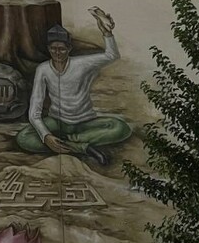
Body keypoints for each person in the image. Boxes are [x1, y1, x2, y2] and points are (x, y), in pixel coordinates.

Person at [15, 17, 132, 165]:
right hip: (57, 121)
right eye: (53, 49)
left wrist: (107, 33)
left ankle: (68, 142)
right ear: (48, 48)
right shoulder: (43, 69)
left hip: (85, 122)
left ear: (69, 49)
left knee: (121, 128)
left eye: (62, 49)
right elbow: (34, 110)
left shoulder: (82, 63)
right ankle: (83, 147)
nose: (57, 53)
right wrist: (46, 136)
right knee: (23, 138)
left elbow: (112, 55)